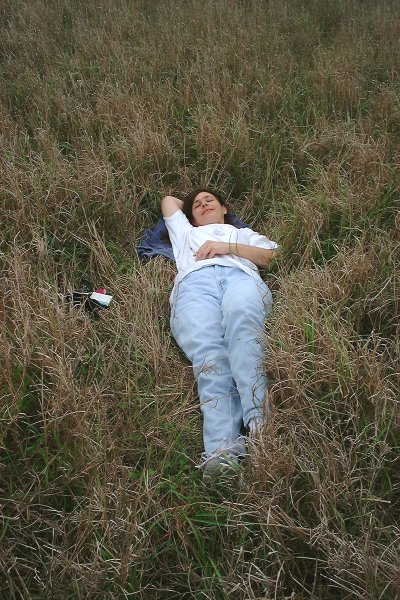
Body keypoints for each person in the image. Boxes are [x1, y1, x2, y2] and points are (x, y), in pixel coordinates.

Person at [161, 189, 279, 481]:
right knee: (210, 356)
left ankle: (261, 427)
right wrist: (191, 207)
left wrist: (226, 245)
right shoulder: (186, 234)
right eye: (197, 205)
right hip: (195, 285)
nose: (202, 204)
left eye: (209, 200)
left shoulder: (243, 234)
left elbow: (271, 257)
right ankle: (221, 452)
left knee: (244, 332)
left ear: (225, 208)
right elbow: (168, 202)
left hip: (239, 277)